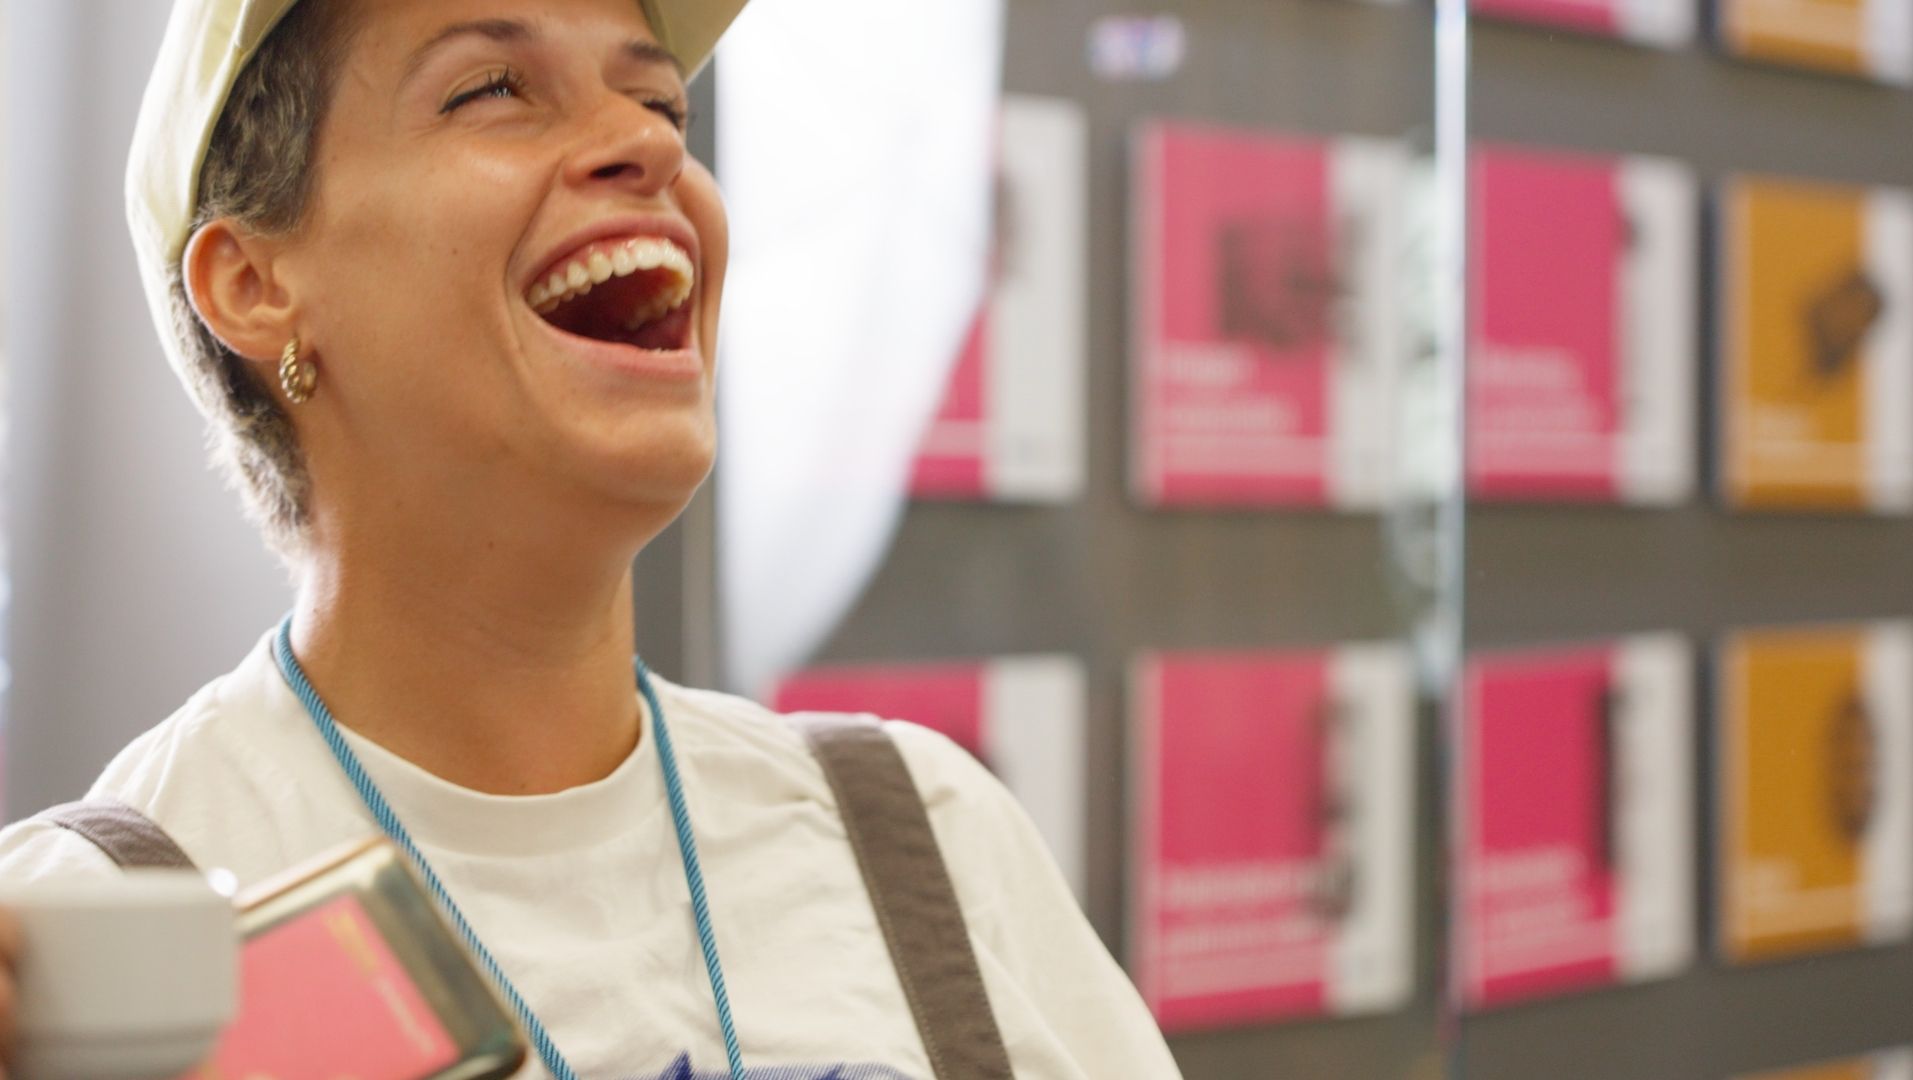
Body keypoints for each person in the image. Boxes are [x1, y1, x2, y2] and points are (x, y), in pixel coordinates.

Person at [0, 1, 1184, 1077]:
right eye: (491, 89)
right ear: (255, 283)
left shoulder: (926, 841)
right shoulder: (77, 952)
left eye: (660, 101)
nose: (651, 146)